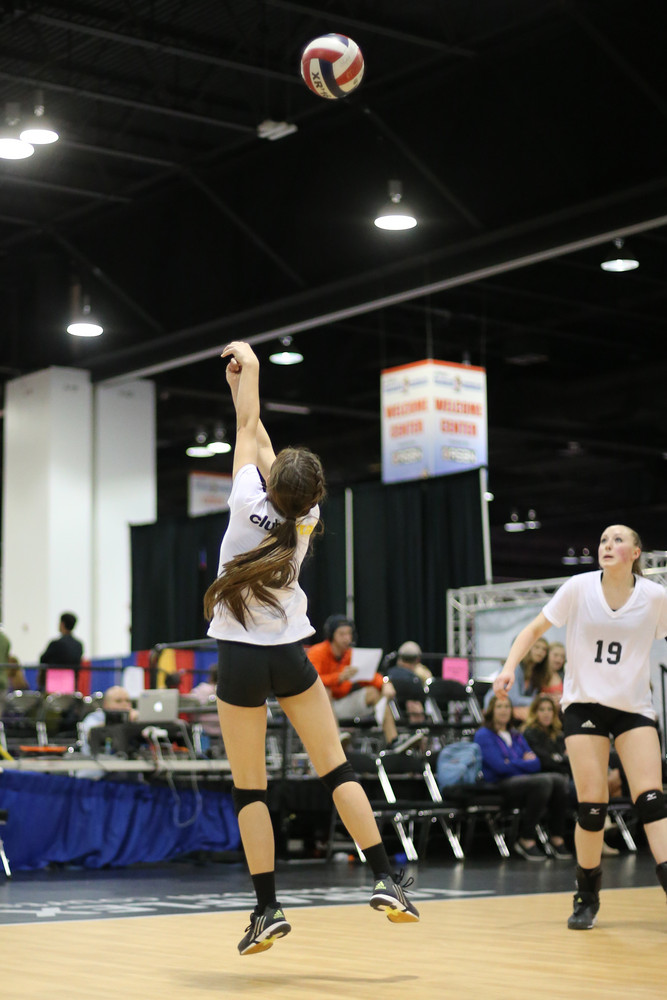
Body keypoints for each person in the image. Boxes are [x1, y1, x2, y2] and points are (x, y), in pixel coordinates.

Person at [203, 341, 419, 956]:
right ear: (313, 493)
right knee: (337, 769)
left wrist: (248, 369)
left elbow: (249, 428)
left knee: (250, 789)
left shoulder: (247, 501)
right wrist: (244, 385)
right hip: (290, 655)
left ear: (271, 484)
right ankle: (386, 879)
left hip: (239, 659)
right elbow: (261, 440)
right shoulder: (306, 517)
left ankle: (267, 908)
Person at [494, 524, 667, 930]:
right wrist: (508, 667)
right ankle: (587, 896)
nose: (607, 545)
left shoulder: (655, 596)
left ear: (636, 553)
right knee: (592, 806)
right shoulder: (579, 587)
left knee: (652, 800)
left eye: (618, 540)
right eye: (604, 540)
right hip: (584, 704)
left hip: (633, 707)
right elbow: (534, 629)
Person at [474, 696, 572, 860]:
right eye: (499, 706)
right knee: (543, 781)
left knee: (559, 780)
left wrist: (511, 762)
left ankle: (557, 837)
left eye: (507, 706)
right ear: (491, 711)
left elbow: (536, 763)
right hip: (498, 782)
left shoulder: (515, 734)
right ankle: (526, 838)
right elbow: (499, 767)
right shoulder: (484, 735)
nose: (504, 710)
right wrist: (522, 762)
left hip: (522, 779)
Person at [306, 615, 402, 749]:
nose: (347, 638)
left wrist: (385, 684)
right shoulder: (317, 652)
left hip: (343, 704)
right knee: (326, 691)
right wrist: (338, 677)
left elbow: (368, 675)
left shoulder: (350, 655)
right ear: (331, 635)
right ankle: (336, 738)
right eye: (342, 634)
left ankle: (394, 742)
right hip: (321, 707)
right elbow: (311, 681)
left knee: (374, 692)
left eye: (349, 634)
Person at [483, 637, 547, 720]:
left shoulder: (536, 672)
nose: (540, 652)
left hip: (514, 708)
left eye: (544, 649)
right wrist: (538, 700)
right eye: (537, 647)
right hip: (497, 707)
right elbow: (514, 699)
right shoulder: (515, 668)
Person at [79, 685, 138, 755]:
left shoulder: (135, 717)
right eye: (118, 701)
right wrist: (118, 721)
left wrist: (137, 720)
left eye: (127, 701)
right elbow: (90, 734)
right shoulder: (94, 717)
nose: (125, 704)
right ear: (106, 704)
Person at [386, 641, 433, 724]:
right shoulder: (418, 677)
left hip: (391, 717)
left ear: (399, 658)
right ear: (418, 659)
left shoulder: (389, 674)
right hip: (412, 719)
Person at [38, 612, 83, 689]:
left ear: (62, 624)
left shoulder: (55, 644)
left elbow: (43, 659)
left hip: (54, 682)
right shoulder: (79, 645)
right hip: (72, 683)